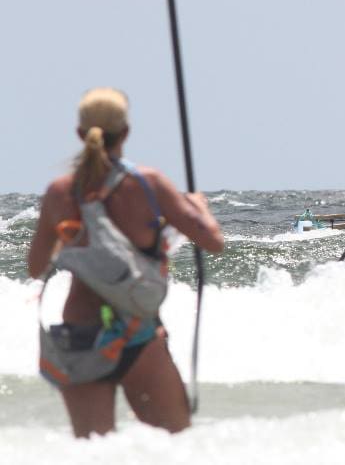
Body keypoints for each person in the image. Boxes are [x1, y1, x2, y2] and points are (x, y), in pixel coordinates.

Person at [27, 87, 224, 438]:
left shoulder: (60, 191)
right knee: (175, 448)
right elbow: (213, 242)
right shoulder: (147, 184)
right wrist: (198, 205)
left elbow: (35, 266)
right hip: (137, 334)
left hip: (82, 334)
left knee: (93, 454)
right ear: (127, 133)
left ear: (79, 134)